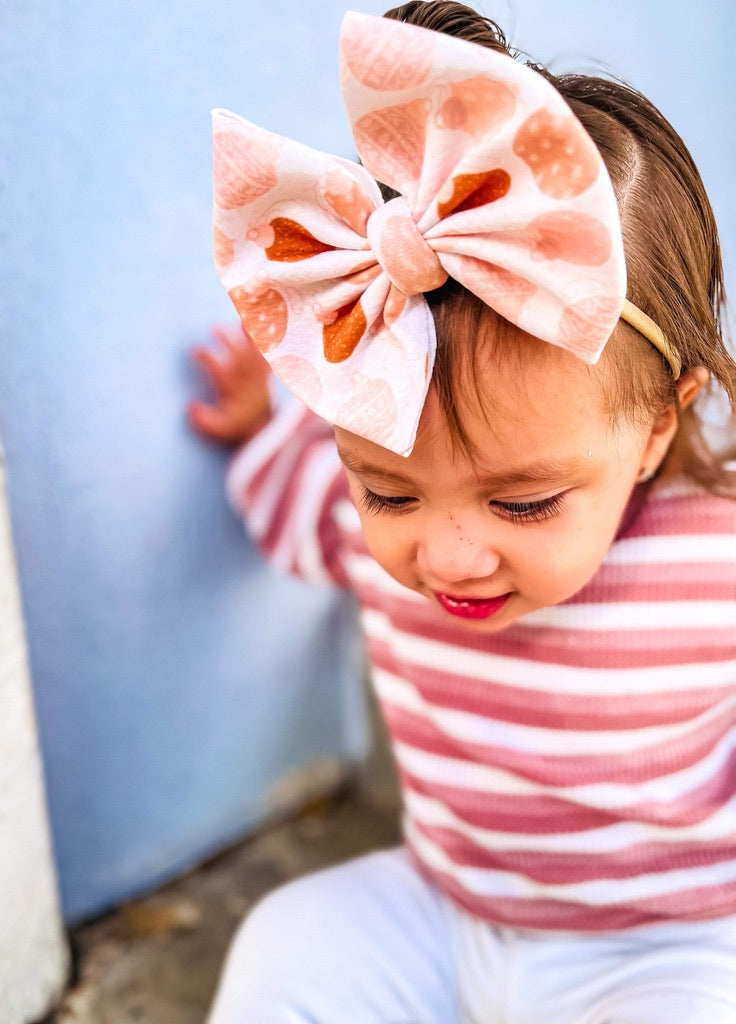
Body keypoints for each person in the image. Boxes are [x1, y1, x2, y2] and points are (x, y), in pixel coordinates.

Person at [190, 4, 736, 1021]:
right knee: (286, 941)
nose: (442, 553)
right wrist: (263, 428)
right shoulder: (355, 515)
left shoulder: (717, 556)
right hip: (440, 911)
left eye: (523, 500)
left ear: (660, 423)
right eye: (387, 487)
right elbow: (291, 506)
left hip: (666, 942)